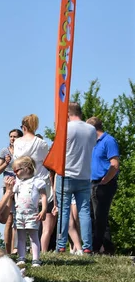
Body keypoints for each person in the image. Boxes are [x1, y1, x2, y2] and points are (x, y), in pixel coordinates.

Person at [53, 103, 96, 253]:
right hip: (84, 175)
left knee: (64, 211)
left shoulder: (66, 128)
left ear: (68, 113)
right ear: (81, 113)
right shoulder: (91, 130)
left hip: (66, 174)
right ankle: (87, 247)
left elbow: (58, 150)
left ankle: (61, 245)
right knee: (84, 212)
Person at [13, 115, 55, 253]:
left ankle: (20, 252)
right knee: (44, 223)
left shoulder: (17, 143)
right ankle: (39, 251)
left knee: (21, 223)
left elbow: (15, 162)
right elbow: (48, 162)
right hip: (40, 183)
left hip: (22, 186)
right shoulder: (42, 144)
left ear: (23, 127)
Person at [86, 116, 120, 255]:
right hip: (93, 183)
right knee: (95, 217)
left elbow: (115, 164)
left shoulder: (108, 141)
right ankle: (105, 248)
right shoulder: (93, 143)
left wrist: (105, 180)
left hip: (104, 183)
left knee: (100, 216)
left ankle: (100, 248)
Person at [12, 156, 47, 267]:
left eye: (17, 170)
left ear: (26, 168)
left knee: (33, 237)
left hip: (32, 214)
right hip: (20, 214)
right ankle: (21, 257)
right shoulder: (19, 183)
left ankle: (36, 259)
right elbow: (14, 194)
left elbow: (44, 196)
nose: (15, 173)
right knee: (21, 237)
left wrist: (44, 209)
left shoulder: (37, 182)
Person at [0, 128, 23, 253]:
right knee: (8, 218)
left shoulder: (23, 151)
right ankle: (7, 250)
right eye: (11, 136)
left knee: (19, 218)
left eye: (15, 136)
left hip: (20, 186)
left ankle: (16, 248)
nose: (12, 139)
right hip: (7, 186)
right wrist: (6, 163)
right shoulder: (4, 151)